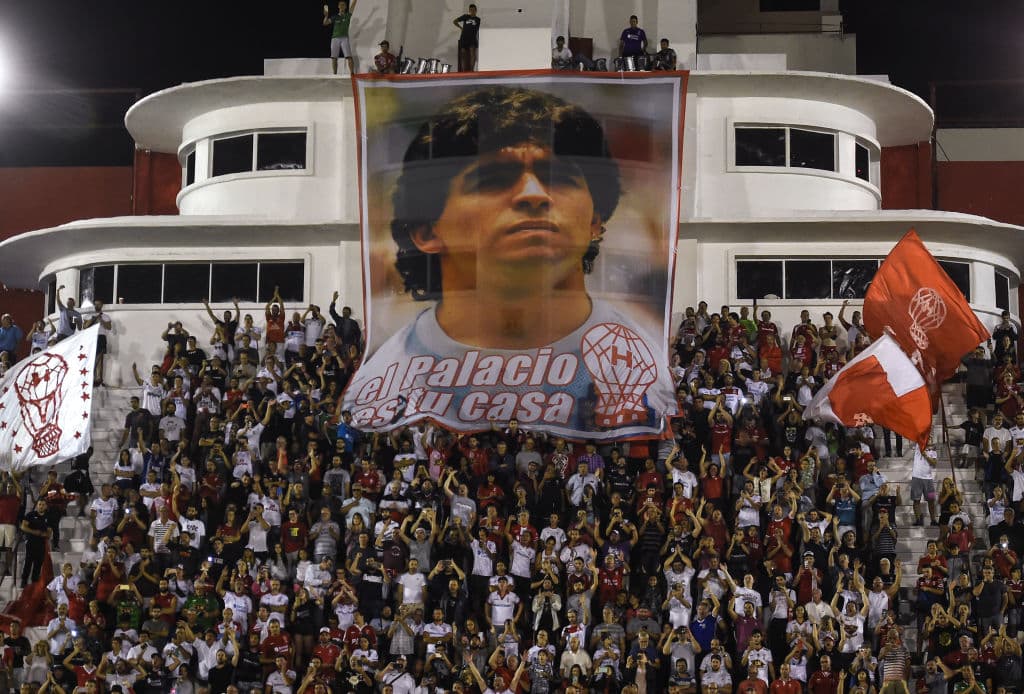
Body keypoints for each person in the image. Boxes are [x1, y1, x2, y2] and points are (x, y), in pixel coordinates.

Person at [343, 85, 676, 436]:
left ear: (596, 220)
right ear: (426, 230)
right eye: (493, 180)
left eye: (559, 178)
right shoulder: (381, 376)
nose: (534, 195)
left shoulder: (647, 357)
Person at [323, 0, 358, 75]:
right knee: (334, 58)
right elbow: (325, 23)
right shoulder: (335, 17)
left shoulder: (347, 15)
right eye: (340, 5)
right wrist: (326, 16)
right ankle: (334, 75)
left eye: (343, 5)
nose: (342, 6)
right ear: (338, 6)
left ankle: (352, 74)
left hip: (344, 38)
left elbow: (353, 6)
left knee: (349, 56)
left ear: (345, 7)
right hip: (335, 38)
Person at [85, 300, 113, 386]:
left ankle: (98, 379)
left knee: (100, 359)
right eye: (96, 304)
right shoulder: (89, 316)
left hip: (101, 337)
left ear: (102, 305)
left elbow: (109, 327)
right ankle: (90, 377)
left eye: (99, 304)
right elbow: (84, 327)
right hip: (91, 337)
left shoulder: (106, 316)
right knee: (91, 358)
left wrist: (102, 321)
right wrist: (93, 320)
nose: (97, 306)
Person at [453, 4, 481, 72]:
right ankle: (463, 70)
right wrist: (460, 28)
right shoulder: (465, 16)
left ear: (476, 10)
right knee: (463, 55)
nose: (472, 11)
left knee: (472, 54)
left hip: (472, 38)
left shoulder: (478, 19)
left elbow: (477, 29)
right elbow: (454, 21)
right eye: (471, 10)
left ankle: (471, 70)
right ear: (469, 10)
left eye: (474, 10)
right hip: (463, 38)